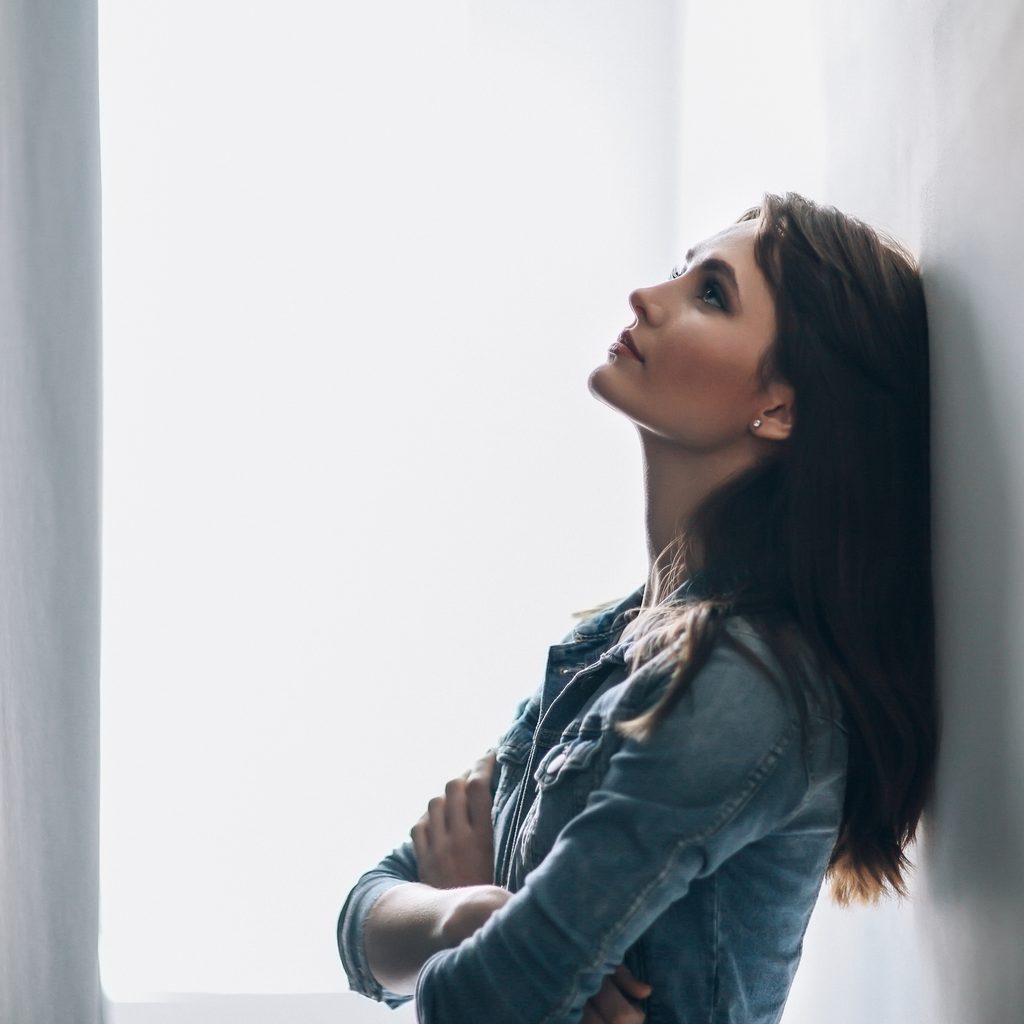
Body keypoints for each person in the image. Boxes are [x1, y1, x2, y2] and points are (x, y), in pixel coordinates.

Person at [336, 192, 939, 1023]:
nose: (647, 298)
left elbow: (479, 1003)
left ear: (781, 407)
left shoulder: (744, 681)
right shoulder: (604, 645)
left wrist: (465, 931)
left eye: (711, 293)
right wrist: (469, 914)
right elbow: (359, 920)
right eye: (677, 271)